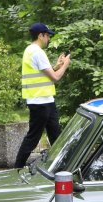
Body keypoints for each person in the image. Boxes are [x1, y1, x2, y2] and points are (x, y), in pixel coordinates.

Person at [14, 22, 70, 168]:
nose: (49, 39)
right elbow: (55, 77)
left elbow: (45, 73)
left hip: (45, 100)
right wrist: (65, 65)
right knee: (33, 138)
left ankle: (62, 167)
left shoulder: (30, 50)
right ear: (41, 35)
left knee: (56, 136)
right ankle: (17, 168)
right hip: (40, 102)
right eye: (47, 36)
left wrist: (57, 66)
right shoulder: (37, 52)